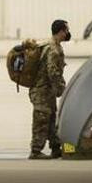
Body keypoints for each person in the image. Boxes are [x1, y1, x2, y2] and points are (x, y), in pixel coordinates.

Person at [28, 19, 70, 160]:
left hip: (47, 91)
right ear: (61, 31)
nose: (68, 33)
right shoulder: (53, 49)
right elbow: (53, 72)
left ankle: (55, 148)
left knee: (52, 119)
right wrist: (61, 89)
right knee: (41, 120)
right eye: (66, 30)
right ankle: (35, 150)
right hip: (42, 91)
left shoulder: (50, 44)